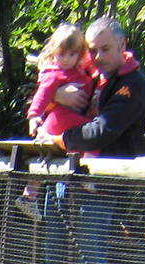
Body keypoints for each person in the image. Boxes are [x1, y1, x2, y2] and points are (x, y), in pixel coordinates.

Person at [42, 16, 145, 264]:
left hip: (100, 188)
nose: (97, 55)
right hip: (63, 179)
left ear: (122, 45)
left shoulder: (133, 84)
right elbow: (41, 95)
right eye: (93, 49)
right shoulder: (88, 75)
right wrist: (54, 95)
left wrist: (59, 140)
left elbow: (104, 131)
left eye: (105, 48)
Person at [18, 23, 97, 220]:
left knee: (48, 155)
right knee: (94, 134)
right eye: (62, 54)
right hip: (61, 119)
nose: (67, 59)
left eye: (72, 54)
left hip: (63, 121)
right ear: (54, 52)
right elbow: (42, 95)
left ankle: (29, 195)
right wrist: (34, 116)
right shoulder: (54, 73)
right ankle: (88, 172)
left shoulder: (80, 70)